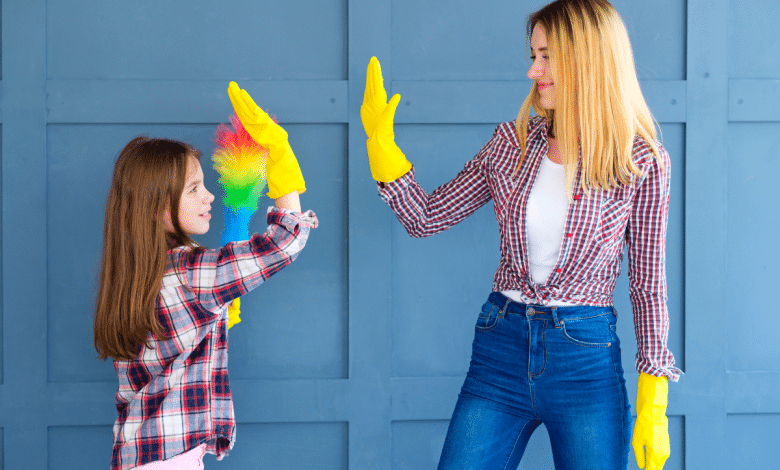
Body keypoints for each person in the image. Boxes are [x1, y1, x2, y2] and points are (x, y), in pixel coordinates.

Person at [360, 0, 680, 469]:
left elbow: (647, 283)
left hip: (585, 362)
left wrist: (655, 391)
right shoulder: (511, 142)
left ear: (586, 59)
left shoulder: (640, 161)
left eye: (547, 56)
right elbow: (426, 217)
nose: (534, 71)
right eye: (533, 56)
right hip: (500, 349)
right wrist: (382, 148)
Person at [93, 82, 317, 470]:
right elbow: (286, 241)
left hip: (137, 455)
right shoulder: (189, 272)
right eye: (194, 188)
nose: (208, 196)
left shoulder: (132, 278)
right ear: (157, 207)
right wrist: (280, 154)